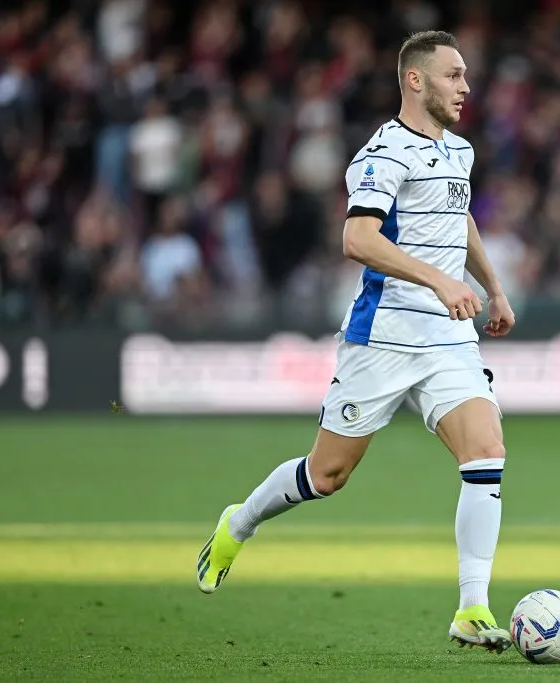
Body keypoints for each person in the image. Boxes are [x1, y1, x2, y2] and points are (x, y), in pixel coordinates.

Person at [195, 30, 517, 654]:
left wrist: (493, 289)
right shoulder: (383, 154)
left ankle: (472, 608)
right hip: (384, 336)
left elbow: (461, 215)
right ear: (416, 80)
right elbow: (358, 240)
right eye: (454, 75)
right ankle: (239, 523)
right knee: (327, 474)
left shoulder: (460, 152)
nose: (466, 87)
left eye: (466, 75)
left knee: (486, 454)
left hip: (448, 340)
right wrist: (440, 280)